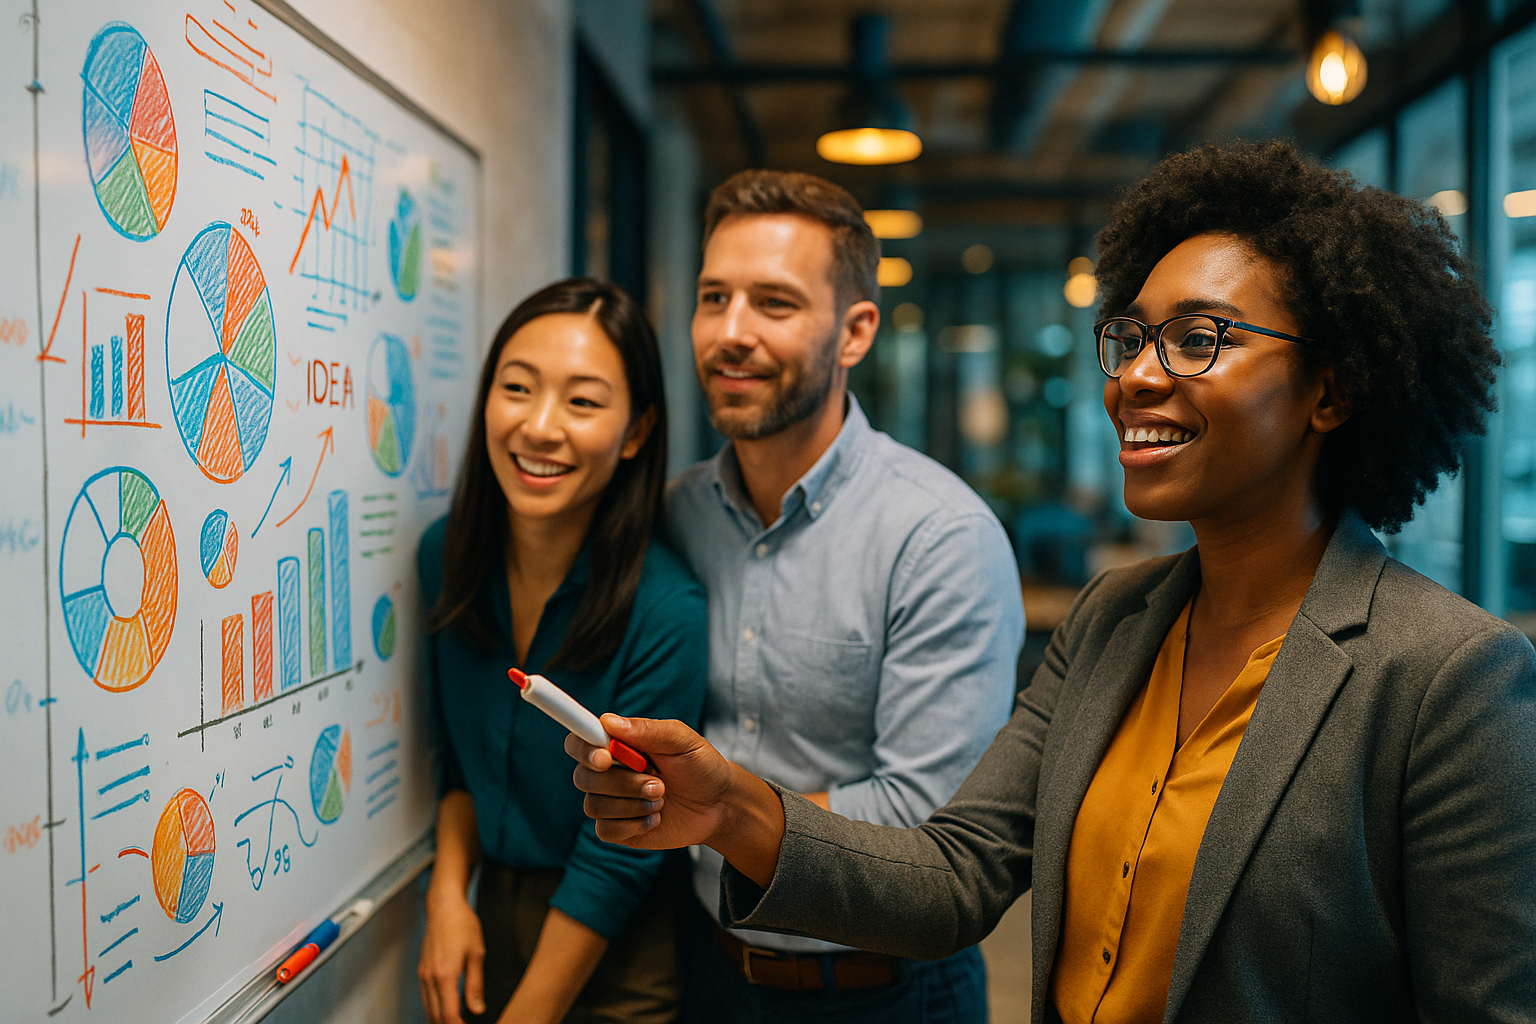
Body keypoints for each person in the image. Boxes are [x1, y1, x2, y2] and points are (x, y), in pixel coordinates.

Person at [569, 140, 1536, 1023]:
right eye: (1132, 338)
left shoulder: (1448, 680)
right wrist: (733, 810)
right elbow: (954, 873)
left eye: (1200, 337)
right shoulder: (1118, 621)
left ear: (1332, 388)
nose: (1139, 379)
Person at [661, 169, 1024, 1021]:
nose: (731, 332)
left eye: (774, 304)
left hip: (886, 992)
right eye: (714, 298)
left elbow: (926, 832)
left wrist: (716, 813)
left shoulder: (941, 536)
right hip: (706, 974)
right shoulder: (675, 515)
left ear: (856, 331)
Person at [416, 278, 707, 1024]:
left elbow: (619, 853)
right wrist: (448, 897)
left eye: (582, 402)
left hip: (616, 946)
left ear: (636, 431)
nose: (539, 427)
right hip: (491, 913)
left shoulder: (666, 608)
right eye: (517, 388)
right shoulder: (444, 557)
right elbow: (457, 762)